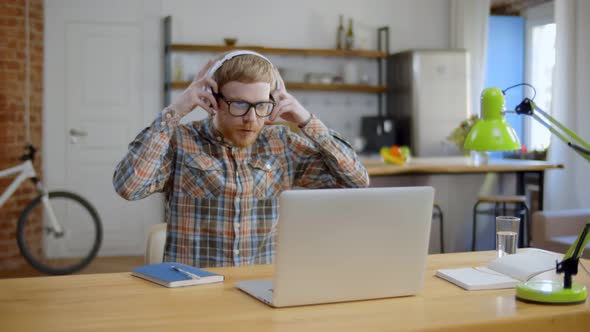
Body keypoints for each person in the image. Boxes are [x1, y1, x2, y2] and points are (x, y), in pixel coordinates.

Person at [113, 51, 369, 267]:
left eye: (261, 105)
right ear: (213, 101)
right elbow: (129, 187)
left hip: (261, 288)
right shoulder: (181, 141)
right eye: (238, 105)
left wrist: (305, 119)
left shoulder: (282, 144)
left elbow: (357, 181)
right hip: (192, 291)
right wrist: (175, 111)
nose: (252, 118)